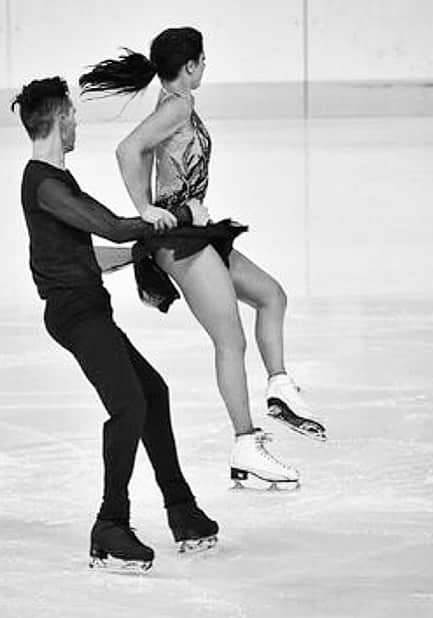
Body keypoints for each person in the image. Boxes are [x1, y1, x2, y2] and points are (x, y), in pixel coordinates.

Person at [80, 27, 327, 489]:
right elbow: (127, 149)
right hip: (181, 241)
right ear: (190, 66)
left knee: (271, 296)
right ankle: (246, 445)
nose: (205, 67)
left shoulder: (173, 103)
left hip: (197, 232)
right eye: (203, 61)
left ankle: (279, 388)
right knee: (230, 340)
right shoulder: (178, 105)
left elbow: (147, 153)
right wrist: (147, 210)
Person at [12, 76, 218, 572]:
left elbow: (83, 248)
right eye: (74, 115)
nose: (77, 122)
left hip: (86, 308)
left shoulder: (53, 183)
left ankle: (182, 510)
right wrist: (173, 216)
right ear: (60, 117)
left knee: (153, 392)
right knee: (128, 404)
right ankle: (110, 525)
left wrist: (133, 253)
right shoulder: (43, 180)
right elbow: (107, 223)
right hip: (75, 314)